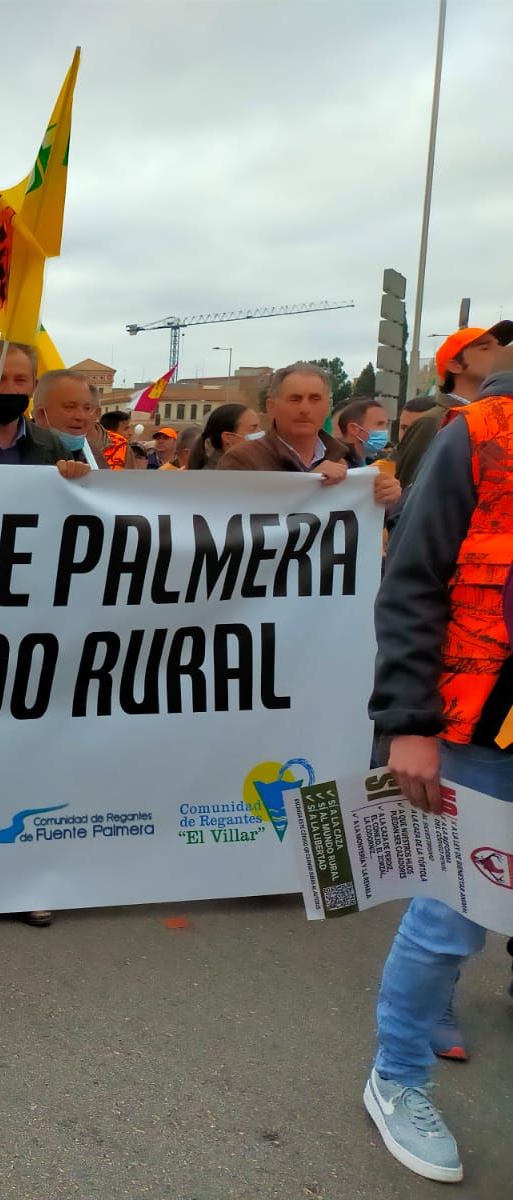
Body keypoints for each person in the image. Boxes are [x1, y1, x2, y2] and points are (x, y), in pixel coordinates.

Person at [362, 347, 513, 1185]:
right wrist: (408, 724)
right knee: (451, 914)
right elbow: (413, 581)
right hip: (481, 729)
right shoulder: (479, 434)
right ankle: (398, 1078)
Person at [214, 361, 402, 510]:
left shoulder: (348, 459)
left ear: (328, 407)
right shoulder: (242, 461)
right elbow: (226, 525)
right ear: (271, 406)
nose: (305, 409)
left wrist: (385, 503)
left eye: (315, 399)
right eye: (295, 399)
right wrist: (307, 487)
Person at [394, 322, 513, 488]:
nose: (502, 352)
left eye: (501, 345)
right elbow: (406, 495)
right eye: (485, 348)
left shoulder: (499, 417)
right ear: (455, 365)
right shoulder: (432, 422)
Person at [34, 370, 105, 468]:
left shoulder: (94, 455)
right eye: (70, 407)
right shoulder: (20, 454)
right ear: (41, 414)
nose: (81, 416)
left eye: (87, 408)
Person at [186, 403, 262, 470]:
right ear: (228, 437)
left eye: (259, 427)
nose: (260, 433)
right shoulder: (215, 477)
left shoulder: (245, 469)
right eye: (253, 428)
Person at [337, 397, 389, 464]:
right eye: (379, 424)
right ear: (354, 429)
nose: (385, 430)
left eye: (386, 425)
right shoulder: (336, 466)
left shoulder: (372, 465)